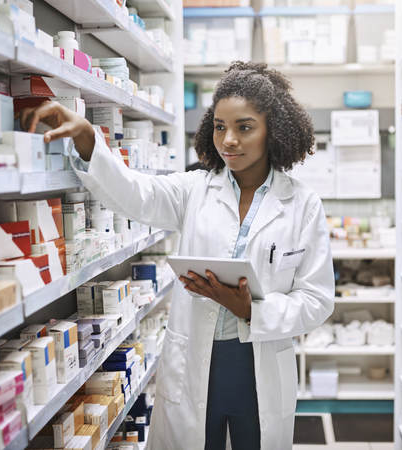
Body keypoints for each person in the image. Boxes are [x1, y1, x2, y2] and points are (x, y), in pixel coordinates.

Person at [20, 61, 335, 450]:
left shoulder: (302, 204)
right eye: (220, 126)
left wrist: (252, 309)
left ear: (274, 131)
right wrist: (89, 140)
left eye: (244, 127)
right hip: (196, 363)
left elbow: (317, 300)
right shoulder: (195, 189)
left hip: (259, 364)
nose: (229, 140)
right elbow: (137, 194)